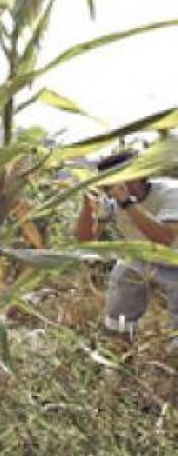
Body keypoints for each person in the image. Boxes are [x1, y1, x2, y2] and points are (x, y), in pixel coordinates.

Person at [75, 150, 178, 350]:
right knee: (123, 281)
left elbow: (165, 238)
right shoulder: (112, 199)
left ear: (137, 175)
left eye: (112, 180)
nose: (107, 187)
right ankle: (120, 352)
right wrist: (88, 208)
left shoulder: (171, 192)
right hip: (142, 258)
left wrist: (127, 202)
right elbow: (86, 239)